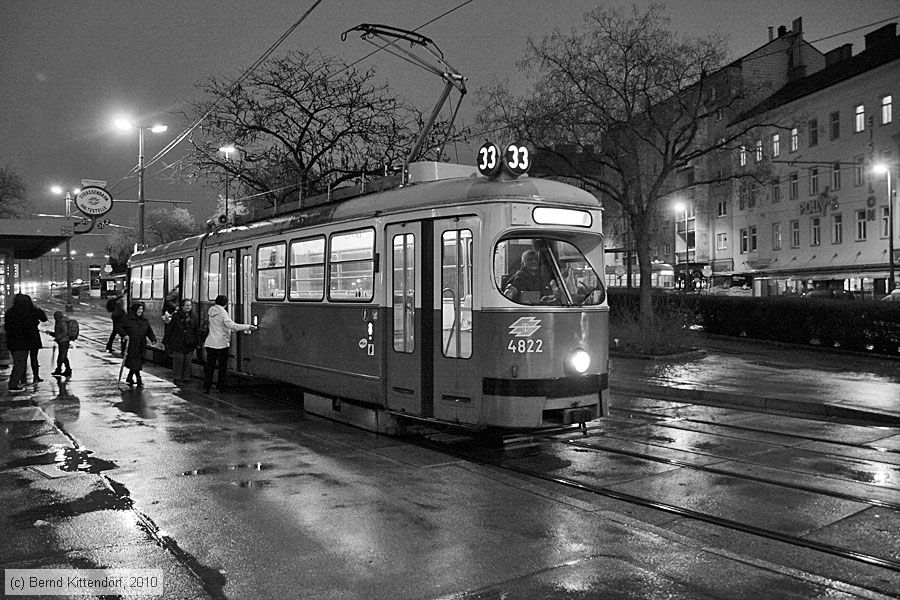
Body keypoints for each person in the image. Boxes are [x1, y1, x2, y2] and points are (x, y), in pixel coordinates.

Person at [203, 294, 256, 393]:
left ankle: (207, 386)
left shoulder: (211, 311)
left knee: (210, 366)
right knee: (222, 367)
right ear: (226, 304)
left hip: (210, 343)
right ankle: (220, 387)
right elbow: (232, 325)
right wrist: (248, 327)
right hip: (221, 344)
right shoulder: (223, 313)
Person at [4, 294, 44, 391]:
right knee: (23, 361)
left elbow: (7, 327)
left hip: (14, 341)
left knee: (19, 362)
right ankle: (14, 383)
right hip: (27, 340)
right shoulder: (30, 312)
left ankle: (21, 380)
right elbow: (43, 318)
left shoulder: (11, 312)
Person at [117, 302, 157, 387]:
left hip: (141, 344)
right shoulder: (127, 319)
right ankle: (138, 378)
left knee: (136, 361)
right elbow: (119, 327)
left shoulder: (144, 320)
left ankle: (130, 377)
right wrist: (124, 335)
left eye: (142, 309)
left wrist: (152, 339)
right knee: (134, 361)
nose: (140, 311)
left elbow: (148, 330)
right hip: (131, 344)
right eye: (139, 309)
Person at [163, 298, 200, 385]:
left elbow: (196, 330)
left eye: (190, 305)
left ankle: (186, 378)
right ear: (182, 307)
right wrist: (166, 341)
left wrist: (197, 342)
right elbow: (170, 329)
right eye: (186, 305)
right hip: (178, 342)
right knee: (178, 361)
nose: (188, 307)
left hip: (190, 343)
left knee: (188, 361)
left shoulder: (193, 317)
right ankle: (177, 378)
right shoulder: (176, 316)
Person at [50, 310, 74, 378]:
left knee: (62, 356)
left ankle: (64, 370)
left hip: (64, 341)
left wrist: (57, 337)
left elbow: (64, 332)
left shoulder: (62, 322)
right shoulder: (60, 321)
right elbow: (59, 332)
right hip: (62, 341)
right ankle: (65, 370)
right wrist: (52, 334)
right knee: (63, 356)